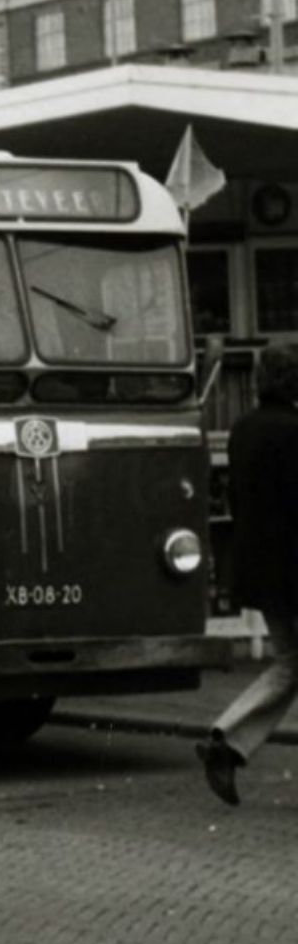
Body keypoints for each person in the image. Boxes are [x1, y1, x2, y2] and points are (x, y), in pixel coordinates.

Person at [197, 345, 298, 806]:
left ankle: (228, 740)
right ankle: (227, 741)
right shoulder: (293, 432)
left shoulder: (242, 431)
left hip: (262, 570)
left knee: (289, 663)